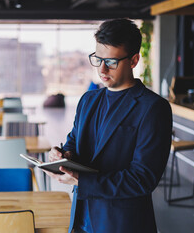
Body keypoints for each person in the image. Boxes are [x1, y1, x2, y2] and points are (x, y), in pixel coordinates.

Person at [45, 18, 173, 233]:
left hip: (121, 223)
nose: (102, 69)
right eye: (97, 59)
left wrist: (82, 181)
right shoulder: (88, 100)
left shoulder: (153, 108)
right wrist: (63, 156)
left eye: (111, 62)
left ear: (134, 60)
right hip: (81, 218)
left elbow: (143, 179)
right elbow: (74, 143)